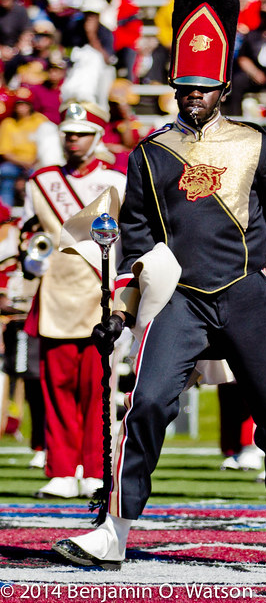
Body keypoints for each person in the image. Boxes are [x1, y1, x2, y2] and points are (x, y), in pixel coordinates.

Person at [52, 0, 266, 569]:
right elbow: (135, 240)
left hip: (248, 294)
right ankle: (113, 530)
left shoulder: (257, 145)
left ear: (224, 88)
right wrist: (119, 312)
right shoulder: (148, 153)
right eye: (185, 87)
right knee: (146, 406)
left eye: (204, 87)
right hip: (177, 300)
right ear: (173, 87)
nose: (194, 96)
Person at [24, 99, 124, 500]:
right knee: (58, 388)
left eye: (82, 134)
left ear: (97, 136)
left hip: (101, 294)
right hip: (57, 293)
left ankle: (96, 470)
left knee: (98, 388)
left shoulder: (116, 181)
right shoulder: (42, 181)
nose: (74, 140)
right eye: (68, 134)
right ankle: (62, 470)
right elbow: (33, 232)